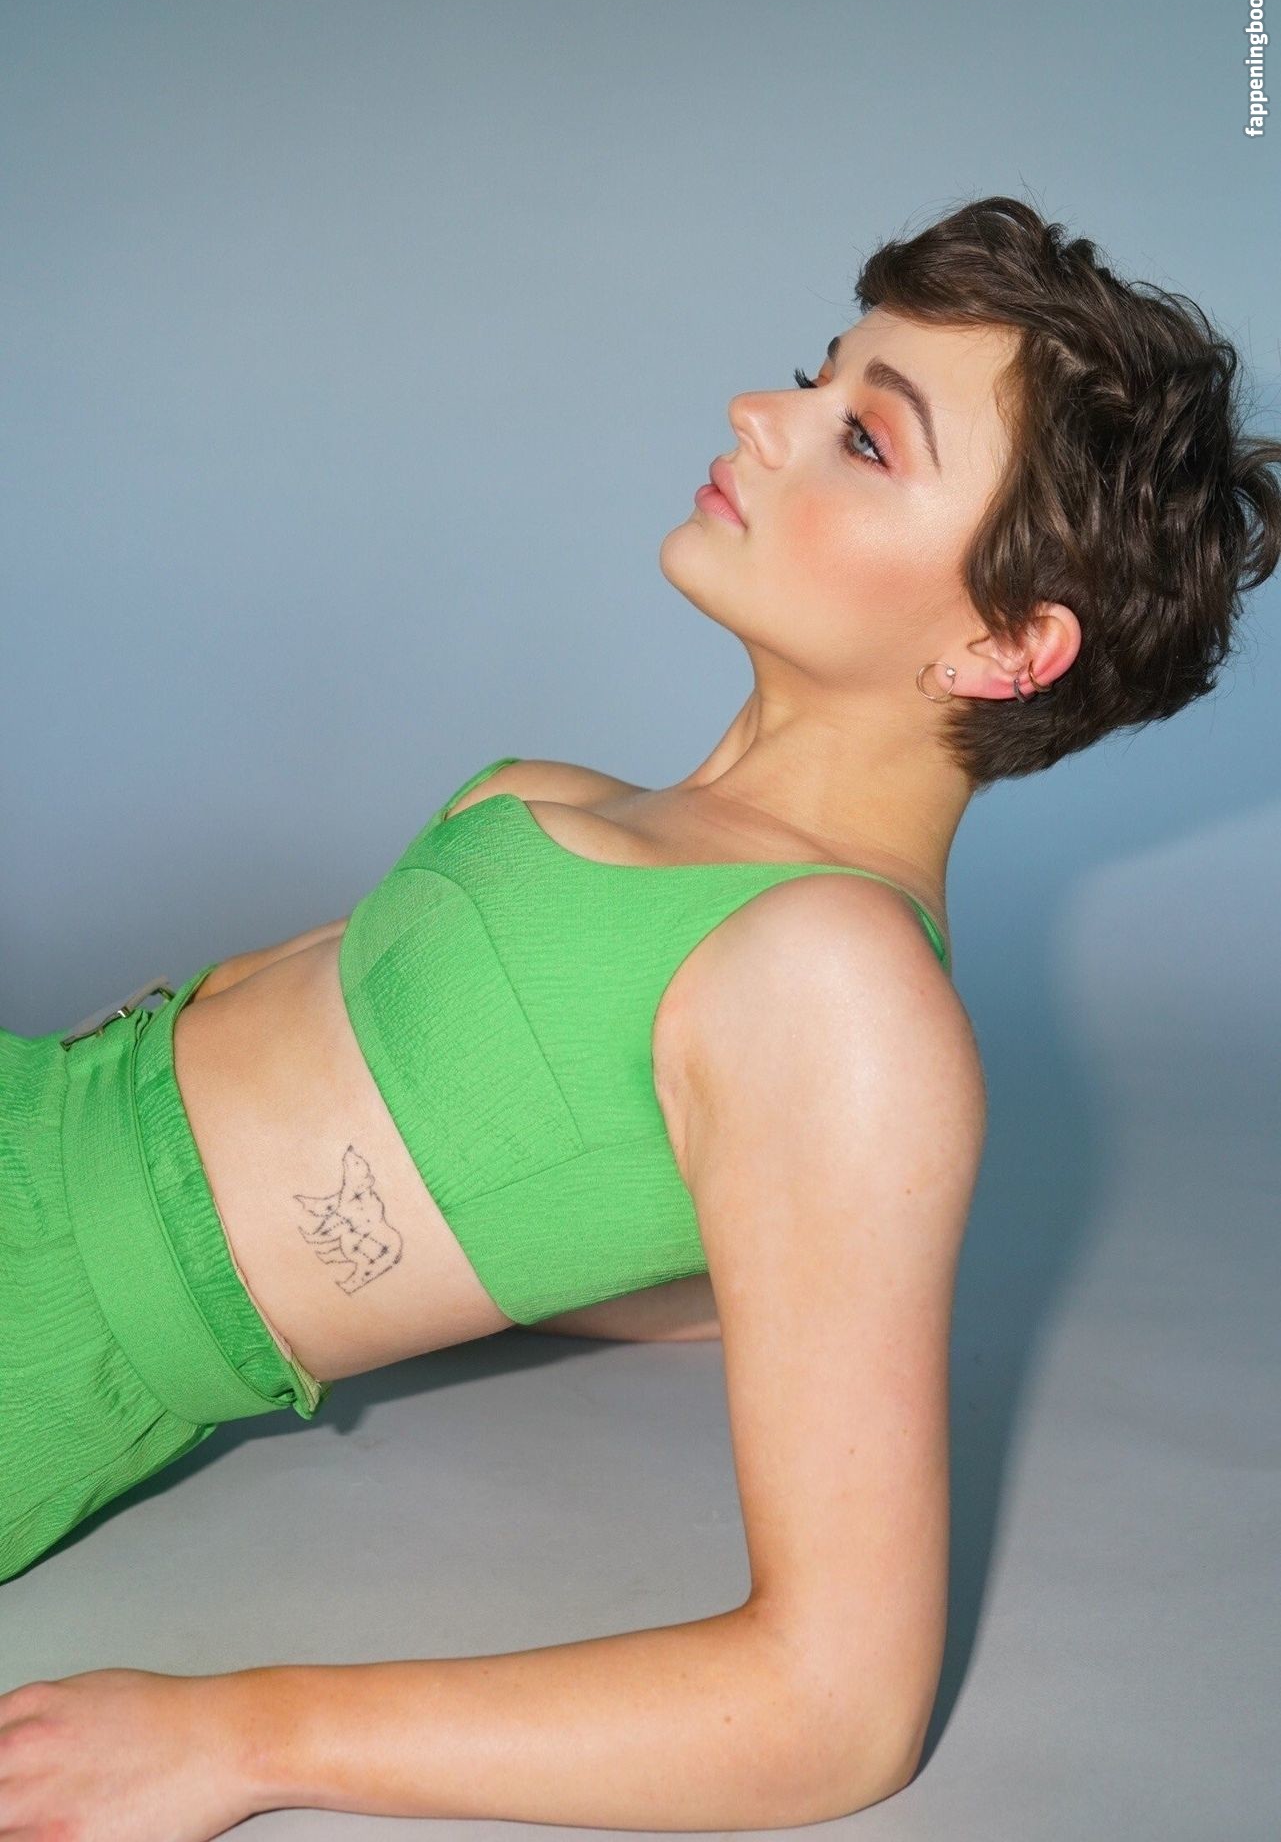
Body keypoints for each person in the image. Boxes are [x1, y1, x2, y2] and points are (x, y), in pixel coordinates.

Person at [2, 193, 1278, 1835]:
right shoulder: (593, 807)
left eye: (864, 439)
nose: (758, 414)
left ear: (1003, 644)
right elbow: (522, 1171)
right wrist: (732, 1286)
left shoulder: (838, 986)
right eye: (814, 377)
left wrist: (232, 1737)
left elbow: (833, 1712)